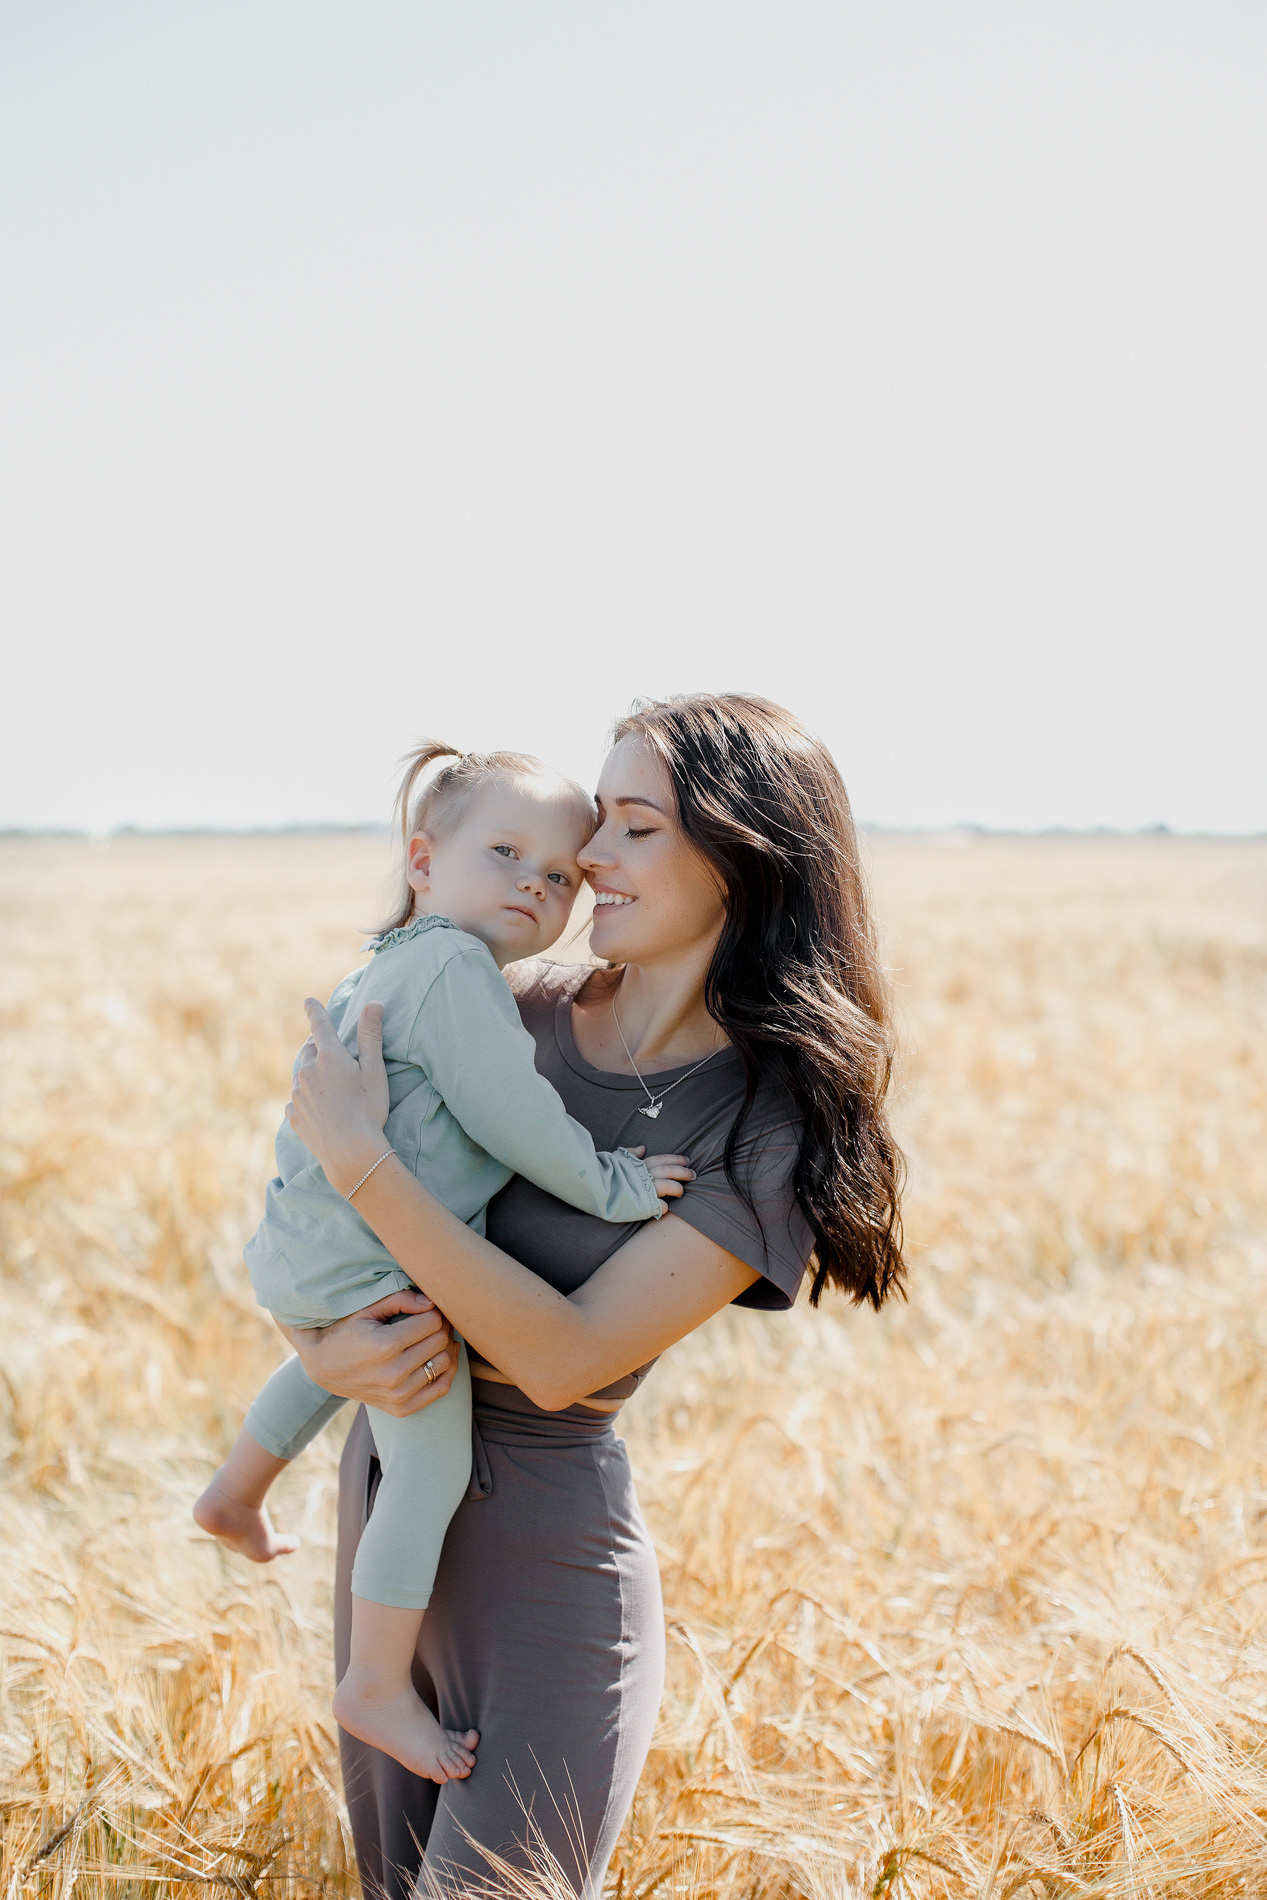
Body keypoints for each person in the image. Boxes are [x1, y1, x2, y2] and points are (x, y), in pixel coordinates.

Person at [282, 694, 906, 1899]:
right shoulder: (498, 1005)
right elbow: (316, 1223)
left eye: (633, 826)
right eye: (596, 822)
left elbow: (566, 1356)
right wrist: (318, 1354)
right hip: (389, 1534)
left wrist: (369, 1165)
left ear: (741, 857)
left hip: (544, 1582)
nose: (588, 855)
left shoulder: (762, 1123)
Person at [194, 742, 691, 1785]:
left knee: (333, 1362)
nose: (535, 883)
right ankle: (373, 1681)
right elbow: (513, 1116)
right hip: (369, 1257)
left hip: (309, 1247)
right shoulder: (457, 972)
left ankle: (234, 1492)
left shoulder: (390, 958)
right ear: (422, 860)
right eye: (505, 853)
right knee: (426, 1461)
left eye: (559, 875)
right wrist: (611, 1184)